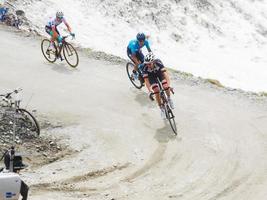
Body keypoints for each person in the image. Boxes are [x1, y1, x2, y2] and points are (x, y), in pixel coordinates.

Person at [142, 52, 174, 118]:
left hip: (159, 74)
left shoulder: (158, 63)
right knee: (156, 90)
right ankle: (161, 108)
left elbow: (165, 74)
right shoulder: (144, 68)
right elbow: (146, 81)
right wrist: (150, 91)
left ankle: (169, 98)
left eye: (149, 64)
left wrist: (169, 85)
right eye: (147, 64)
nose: (148, 65)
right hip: (151, 77)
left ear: (153, 62)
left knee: (165, 86)